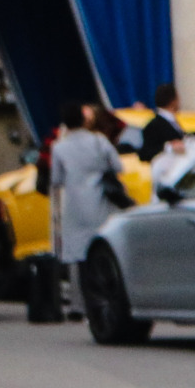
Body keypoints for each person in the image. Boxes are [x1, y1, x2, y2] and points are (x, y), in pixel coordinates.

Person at [50, 103, 130, 317]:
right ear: (84, 120)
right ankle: (104, 297)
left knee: (76, 256)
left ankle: (78, 305)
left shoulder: (59, 147)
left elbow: (56, 179)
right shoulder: (99, 141)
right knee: (100, 250)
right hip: (99, 202)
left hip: (74, 206)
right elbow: (118, 166)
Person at [137, 82, 186, 161]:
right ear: (172, 101)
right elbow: (145, 153)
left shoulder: (174, 122)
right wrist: (169, 147)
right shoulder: (153, 126)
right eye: (177, 98)